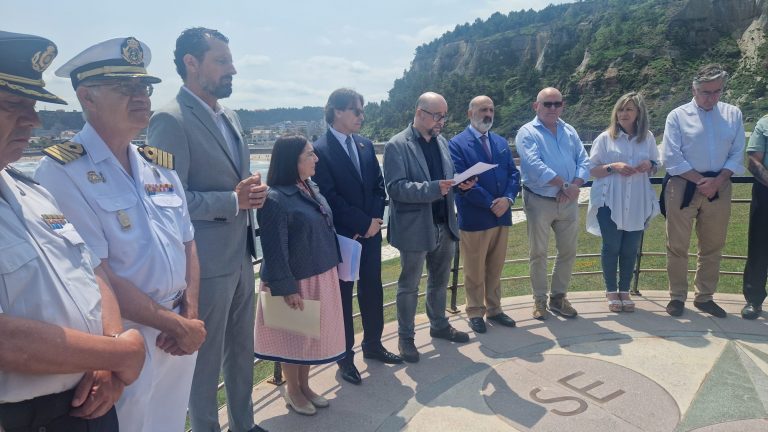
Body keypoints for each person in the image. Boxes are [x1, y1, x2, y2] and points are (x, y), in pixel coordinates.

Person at [35, 37, 205, 432]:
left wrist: (190, 316)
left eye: (143, 87)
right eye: (124, 87)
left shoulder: (157, 166)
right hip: (124, 338)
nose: (141, 96)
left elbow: (188, 242)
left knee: (169, 422)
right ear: (86, 97)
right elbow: (96, 271)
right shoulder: (61, 173)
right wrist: (172, 323)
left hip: (178, 328)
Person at [0, 30, 145, 432]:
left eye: (33, 104)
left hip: (87, 402)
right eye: (14, 104)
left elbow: (90, 270)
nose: (34, 119)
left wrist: (110, 352)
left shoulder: (31, 190)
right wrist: (119, 354)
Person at [147, 28, 268, 432]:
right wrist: (232, 200)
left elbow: (231, 182)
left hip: (239, 256)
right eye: (221, 61)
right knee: (204, 363)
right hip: (204, 266)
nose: (232, 69)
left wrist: (250, 191)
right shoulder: (169, 119)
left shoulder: (229, 116)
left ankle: (244, 425)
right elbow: (166, 201)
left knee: (241, 352)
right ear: (191, 63)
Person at [313, 89, 403, 385]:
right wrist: (361, 223)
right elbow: (328, 195)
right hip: (344, 236)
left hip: (371, 233)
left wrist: (374, 222)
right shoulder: (319, 150)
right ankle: (344, 357)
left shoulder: (364, 145)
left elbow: (379, 186)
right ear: (337, 111)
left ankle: (373, 345)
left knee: (372, 290)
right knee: (342, 297)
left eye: (362, 111)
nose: (362, 117)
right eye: (356, 111)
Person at [255, 135, 346, 416]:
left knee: (307, 338)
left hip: (318, 274)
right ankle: (293, 391)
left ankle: (304, 386)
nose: (316, 158)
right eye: (309, 154)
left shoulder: (308, 187)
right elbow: (274, 249)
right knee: (293, 339)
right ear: (292, 160)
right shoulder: (275, 199)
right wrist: (287, 288)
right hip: (295, 280)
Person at [383, 91, 470, 364]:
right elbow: (396, 189)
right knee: (409, 286)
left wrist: (460, 184)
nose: (441, 121)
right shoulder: (397, 145)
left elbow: (447, 178)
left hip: (444, 222)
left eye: (444, 116)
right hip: (415, 228)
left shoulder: (442, 142)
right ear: (420, 113)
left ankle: (439, 324)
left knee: (439, 281)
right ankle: (406, 338)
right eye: (436, 115)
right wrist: (434, 188)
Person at [660, 64, 745, 318]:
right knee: (677, 245)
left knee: (713, 245)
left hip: (720, 185)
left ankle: (705, 296)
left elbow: (737, 152)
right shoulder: (677, 116)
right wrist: (701, 181)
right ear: (694, 89)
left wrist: (717, 181)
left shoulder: (733, 114)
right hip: (683, 185)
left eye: (717, 91)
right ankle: (677, 296)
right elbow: (671, 157)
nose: (712, 97)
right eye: (706, 92)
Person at [516, 87, 590, 320]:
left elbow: (584, 160)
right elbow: (533, 164)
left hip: (567, 201)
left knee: (568, 251)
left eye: (557, 103)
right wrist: (565, 186)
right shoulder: (527, 132)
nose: (552, 108)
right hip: (540, 200)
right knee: (538, 252)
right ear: (535, 106)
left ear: (563, 105)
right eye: (547, 104)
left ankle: (558, 298)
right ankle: (539, 300)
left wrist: (574, 185)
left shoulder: (569, 131)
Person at [448, 95, 520, 333]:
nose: (488, 114)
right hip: (475, 217)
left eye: (491, 109)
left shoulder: (500, 142)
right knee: (474, 269)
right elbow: (462, 179)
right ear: (470, 113)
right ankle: (475, 311)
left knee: (496, 267)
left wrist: (508, 199)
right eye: (482, 110)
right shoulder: (456, 144)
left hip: (501, 215)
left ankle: (495, 309)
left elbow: (513, 174)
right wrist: (492, 203)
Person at [586, 92, 660, 312]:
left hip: (637, 200)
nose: (623, 114)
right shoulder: (605, 138)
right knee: (611, 246)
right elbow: (591, 169)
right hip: (610, 200)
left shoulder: (647, 137)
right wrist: (613, 167)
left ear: (638, 113)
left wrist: (650, 164)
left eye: (629, 109)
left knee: (630, 248)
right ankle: (611, 291)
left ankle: (625, 290)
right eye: (620, 109)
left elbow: (657, 163)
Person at [741, 116, 768, 319]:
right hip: (765, 190)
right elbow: (753, 160)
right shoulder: (764, 123)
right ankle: (754, 299)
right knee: (759, 245)